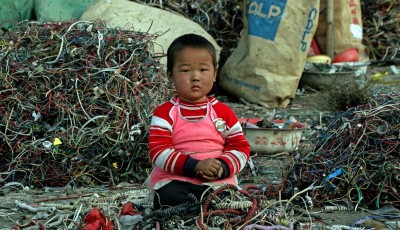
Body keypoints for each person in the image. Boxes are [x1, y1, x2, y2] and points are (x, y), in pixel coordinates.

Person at [148, 33, 250, 210]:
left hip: (217, 183)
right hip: (175, 181)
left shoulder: (223, 112)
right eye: (186, 70)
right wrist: (194, 166)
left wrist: (222, 167)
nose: (195, 77)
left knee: (228, 199)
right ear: (170, 76)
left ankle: (203, 206)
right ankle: (202, 207)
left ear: (214, 74)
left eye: (203, 70)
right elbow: (159, 152)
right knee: (165, 198)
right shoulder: (164, 113)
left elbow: (240, 147)